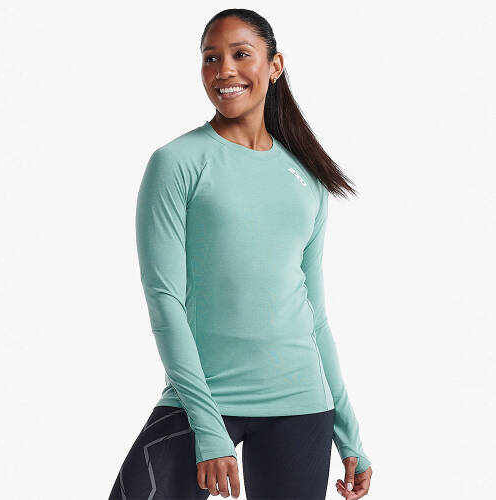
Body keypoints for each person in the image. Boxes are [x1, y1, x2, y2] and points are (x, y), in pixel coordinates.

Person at [109, 8, 372, 500]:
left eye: (240, 54)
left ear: (275, 66)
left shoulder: (307, 178)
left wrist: (349, 434)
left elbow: (315, 316)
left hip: (301, 404)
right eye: (211, 57)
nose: (224, 69)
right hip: (202, 397)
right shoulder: (177, 163)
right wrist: (208, 429)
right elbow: (165, 300)